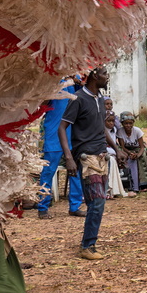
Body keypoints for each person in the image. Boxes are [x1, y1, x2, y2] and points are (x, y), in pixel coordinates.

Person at [58, 67, 127, 261]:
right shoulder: (78, 98)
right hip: (87, 156)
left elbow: (101, 128)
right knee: (97, 201)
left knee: (95, 201)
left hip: (102, 155)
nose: (108, 78)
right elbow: (62, 128)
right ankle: (87, 246)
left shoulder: (99, 100)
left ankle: (90, 243)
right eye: (105, 74)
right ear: (95, 76)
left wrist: (116, 148)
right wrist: (69, 157)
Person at [37, 79, 85, 219]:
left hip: (73, 136)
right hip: (54, 135)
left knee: (75, 171)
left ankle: (75, 206)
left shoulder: (76, 78)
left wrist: (77, 81)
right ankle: (43, 207)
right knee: (48, 172)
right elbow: (41, 104)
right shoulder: (52, 79)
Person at [117, 111, 147, 192]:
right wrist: (130, 153)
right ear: (122, 123)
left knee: (143, 156)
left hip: (138, 149)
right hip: (127, 149)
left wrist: (137, 155)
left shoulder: (137, 131)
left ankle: (146, 183)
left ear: (133, 123)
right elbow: (122, 147)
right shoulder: (120, 131)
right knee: (123, 156)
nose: (128, 125)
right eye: (126, 123)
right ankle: (130, 183)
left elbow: (142, 147)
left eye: (130, 123)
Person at [104, 112, 128, 199]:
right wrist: (116, 152)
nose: (111, 123)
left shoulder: (113, 130)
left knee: (116, 159)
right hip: (104, 153)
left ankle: (114, 190)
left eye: (113, 121)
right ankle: (107, 190)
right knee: (111, 160)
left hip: (112, 152)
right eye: (108, 121)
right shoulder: (100, 130)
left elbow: (113, 144)